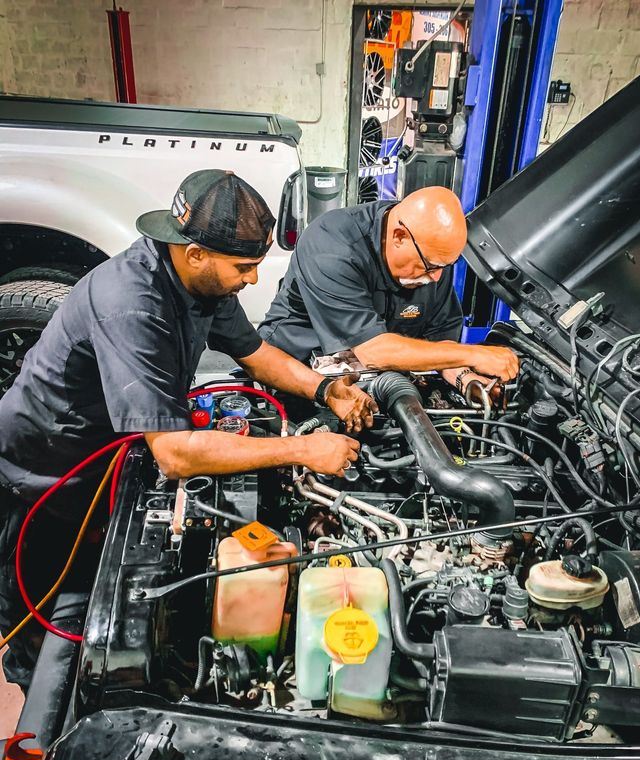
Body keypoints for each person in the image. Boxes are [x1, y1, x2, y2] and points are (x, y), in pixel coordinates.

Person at [0, 169, 377, 688]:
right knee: (36, 603)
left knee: (86, 572)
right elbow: (176, 455)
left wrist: (322, 389)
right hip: (44, 466)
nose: (251, 279)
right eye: (244, 267)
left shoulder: (201, 283)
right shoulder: (133, 302)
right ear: (195, 252)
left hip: (111, 452)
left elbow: (256, 352)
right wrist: (300, 449)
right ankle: (35, 724)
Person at [258, 186, 519, 393]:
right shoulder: (331, 244)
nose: (437, 277)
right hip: (295, 372)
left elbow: (440, 341)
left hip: (378, 379)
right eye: (431, 266)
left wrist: (465, 378)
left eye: (445, 266)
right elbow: (373, 351)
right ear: (399, 236)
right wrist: (475, 354)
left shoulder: (433, 256)